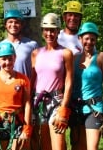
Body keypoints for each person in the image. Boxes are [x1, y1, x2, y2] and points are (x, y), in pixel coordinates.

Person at [31, 13, 73, 150]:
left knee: (58, 146)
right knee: (44, 146)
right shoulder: (36, 53)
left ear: (57, 31)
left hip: (56, 101)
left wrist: (64, 107)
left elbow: (69, 81)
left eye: (52, 30)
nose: (49, 33)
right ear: (42, 31)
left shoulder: (65, 53)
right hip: (39, 101)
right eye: (46, 30)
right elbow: (32, 80)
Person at [69, 22, 103, 150]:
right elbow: (70, 83)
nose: (89, 42)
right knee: (77, 147)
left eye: (92, 39)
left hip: (94, 109)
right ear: (80, 39)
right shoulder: (75, 58)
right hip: (77, 108)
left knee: (92, 148)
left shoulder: (101, 57)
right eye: (86, 38)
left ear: (96, 40)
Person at [0, 42, 32, 150]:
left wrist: (26, 128)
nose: (7, 62)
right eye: (4, 59)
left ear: (15, 58)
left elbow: (27, 105)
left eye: (10, 59)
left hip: (17, 122)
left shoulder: (22, 79)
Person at [0, 9, 38, 79]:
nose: (13, 25)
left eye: (17, 22)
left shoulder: (32, 45)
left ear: (21, 25)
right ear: (5, 25)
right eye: (10, 22)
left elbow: (38, 71)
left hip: (26, 88)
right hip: (6, 88)